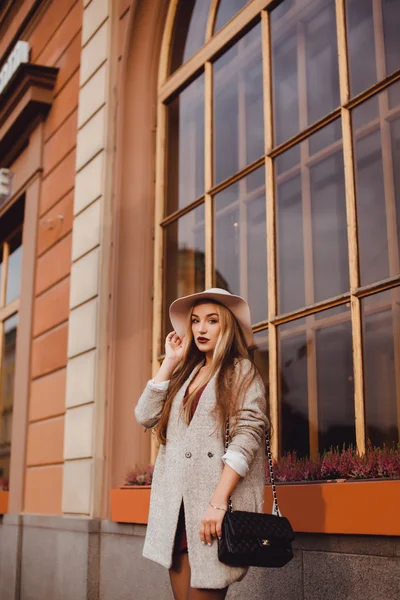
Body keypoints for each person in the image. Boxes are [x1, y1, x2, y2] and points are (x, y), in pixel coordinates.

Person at [135, 288, 269, 600]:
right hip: (177, 512)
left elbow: (247, 436)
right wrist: (170, 362)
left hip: (210, 510)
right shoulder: (187, 373)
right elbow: (144, 416)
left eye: (211, 320)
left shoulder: (240, 371)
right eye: (195, 321)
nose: (200, 328)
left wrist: (218, 501)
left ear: (226, 326)